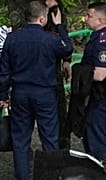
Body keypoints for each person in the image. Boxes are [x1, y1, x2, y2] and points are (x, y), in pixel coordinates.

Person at [0, 1, 73, 180]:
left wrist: (3, 96)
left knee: (20, 141)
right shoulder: (50, 39)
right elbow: (67, 49)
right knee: (50, 139)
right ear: (42, 18)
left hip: (20, 93)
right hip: (45, 94)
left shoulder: (12, 39)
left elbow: (3, 71)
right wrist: (59, 26)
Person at [80, 2, 106, 160]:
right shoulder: (98, 36)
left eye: (89, 16)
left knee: (95, 129)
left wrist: (79, 74)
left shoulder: (104, 41)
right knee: (89, 127)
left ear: (101, 20)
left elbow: (100, 74)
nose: (85, 19)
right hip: (95, 92)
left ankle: (102, 166)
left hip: (101, 92)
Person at [44, 0, 72, 151]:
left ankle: (63, 147)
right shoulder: (34, 7)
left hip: (55, 68)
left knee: (61, 111)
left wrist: (66, 61)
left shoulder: (58, 8)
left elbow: (64, 35)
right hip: (39, 68)